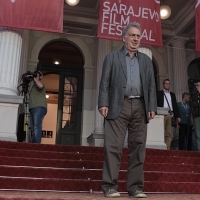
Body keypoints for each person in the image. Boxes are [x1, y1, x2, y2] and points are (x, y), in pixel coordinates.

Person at [98, 22, 157, 198]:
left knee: (138, 148)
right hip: (118, 104)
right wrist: (103, 103)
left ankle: (135, 188)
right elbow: (104, 82)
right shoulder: (112, 57)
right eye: (132, 35)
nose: (135, 39)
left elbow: (151, 86)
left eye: (138, 36)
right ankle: (110, 186)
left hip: (140, 106)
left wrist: (152, 106)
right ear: (123, 38)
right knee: (113, 147)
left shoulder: (146, 60)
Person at [157, 79, 181, 150]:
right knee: (160, 131)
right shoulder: (159, 93)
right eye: (166, 83)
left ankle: (167, 148)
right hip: (161, 114)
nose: (168, 85)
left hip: (170, 114)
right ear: (163, 84)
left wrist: (178, 116)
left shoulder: (172, 94)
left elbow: (175, 106)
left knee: (169, 133)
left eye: (169, 83)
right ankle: (160, 147)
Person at [29, 71, 47, 143]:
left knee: (36, 127)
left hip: (39, 107)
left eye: (37, 76)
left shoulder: (41, 83)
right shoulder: (33, 86)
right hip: (33, 107)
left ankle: (35, 145)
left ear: (40, 77)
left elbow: (40, 86)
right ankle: (34, 142)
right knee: (33, 128)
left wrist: (35, 78)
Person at [190, 82, 200, 150]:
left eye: (198, 85)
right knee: (198, 134)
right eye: (196, 86)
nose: (197, 87)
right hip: (197, 115)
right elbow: (191, 103)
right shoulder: (194, 95)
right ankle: (199, 150)